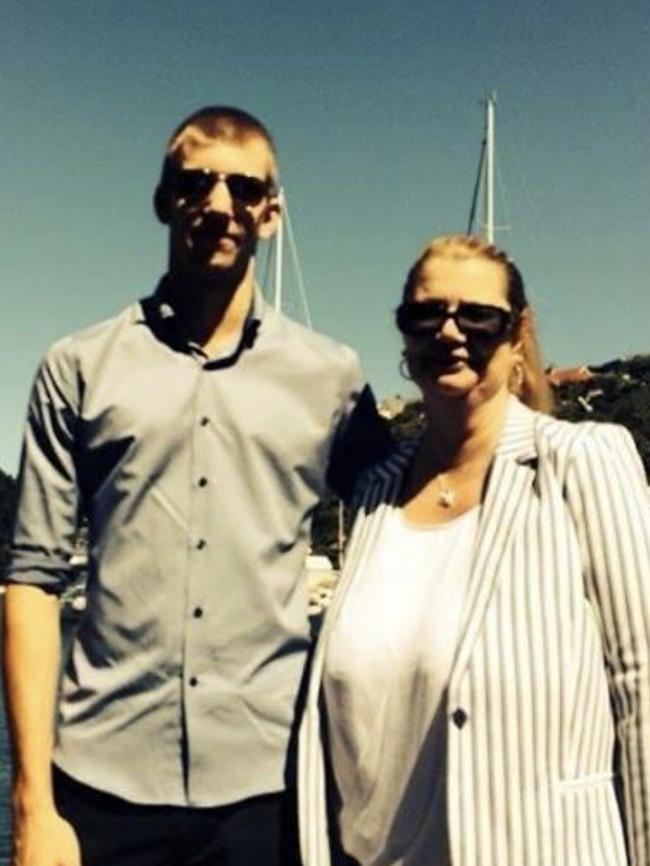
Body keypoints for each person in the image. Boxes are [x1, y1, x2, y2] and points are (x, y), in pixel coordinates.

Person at [2, 106, 390, 866]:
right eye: (196, 183)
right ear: (163, 200)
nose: (220, 204)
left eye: (244, 188)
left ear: (270, 212)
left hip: (272, 790)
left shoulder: (333, 378)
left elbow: (413, 517)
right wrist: (32, 803)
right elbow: (33, 580)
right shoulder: (77, 367)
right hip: (99, 788)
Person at [298, 234, 650, 866]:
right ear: (405, 335)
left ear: (517, 334)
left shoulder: (581, 463)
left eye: (478, 317)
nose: (450, 333)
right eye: (426, 314)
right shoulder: (376, 491)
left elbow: (642, 684)